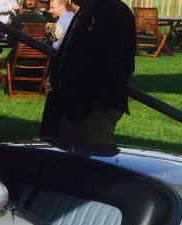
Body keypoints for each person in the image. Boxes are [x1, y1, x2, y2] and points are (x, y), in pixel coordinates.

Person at [39, 0, 134, 144]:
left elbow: (120, 63)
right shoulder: (87, 10)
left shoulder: (112, 10)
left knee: (88, 162)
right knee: (68, 163)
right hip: (74, 104)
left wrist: (98, 102)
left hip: (95, 108)